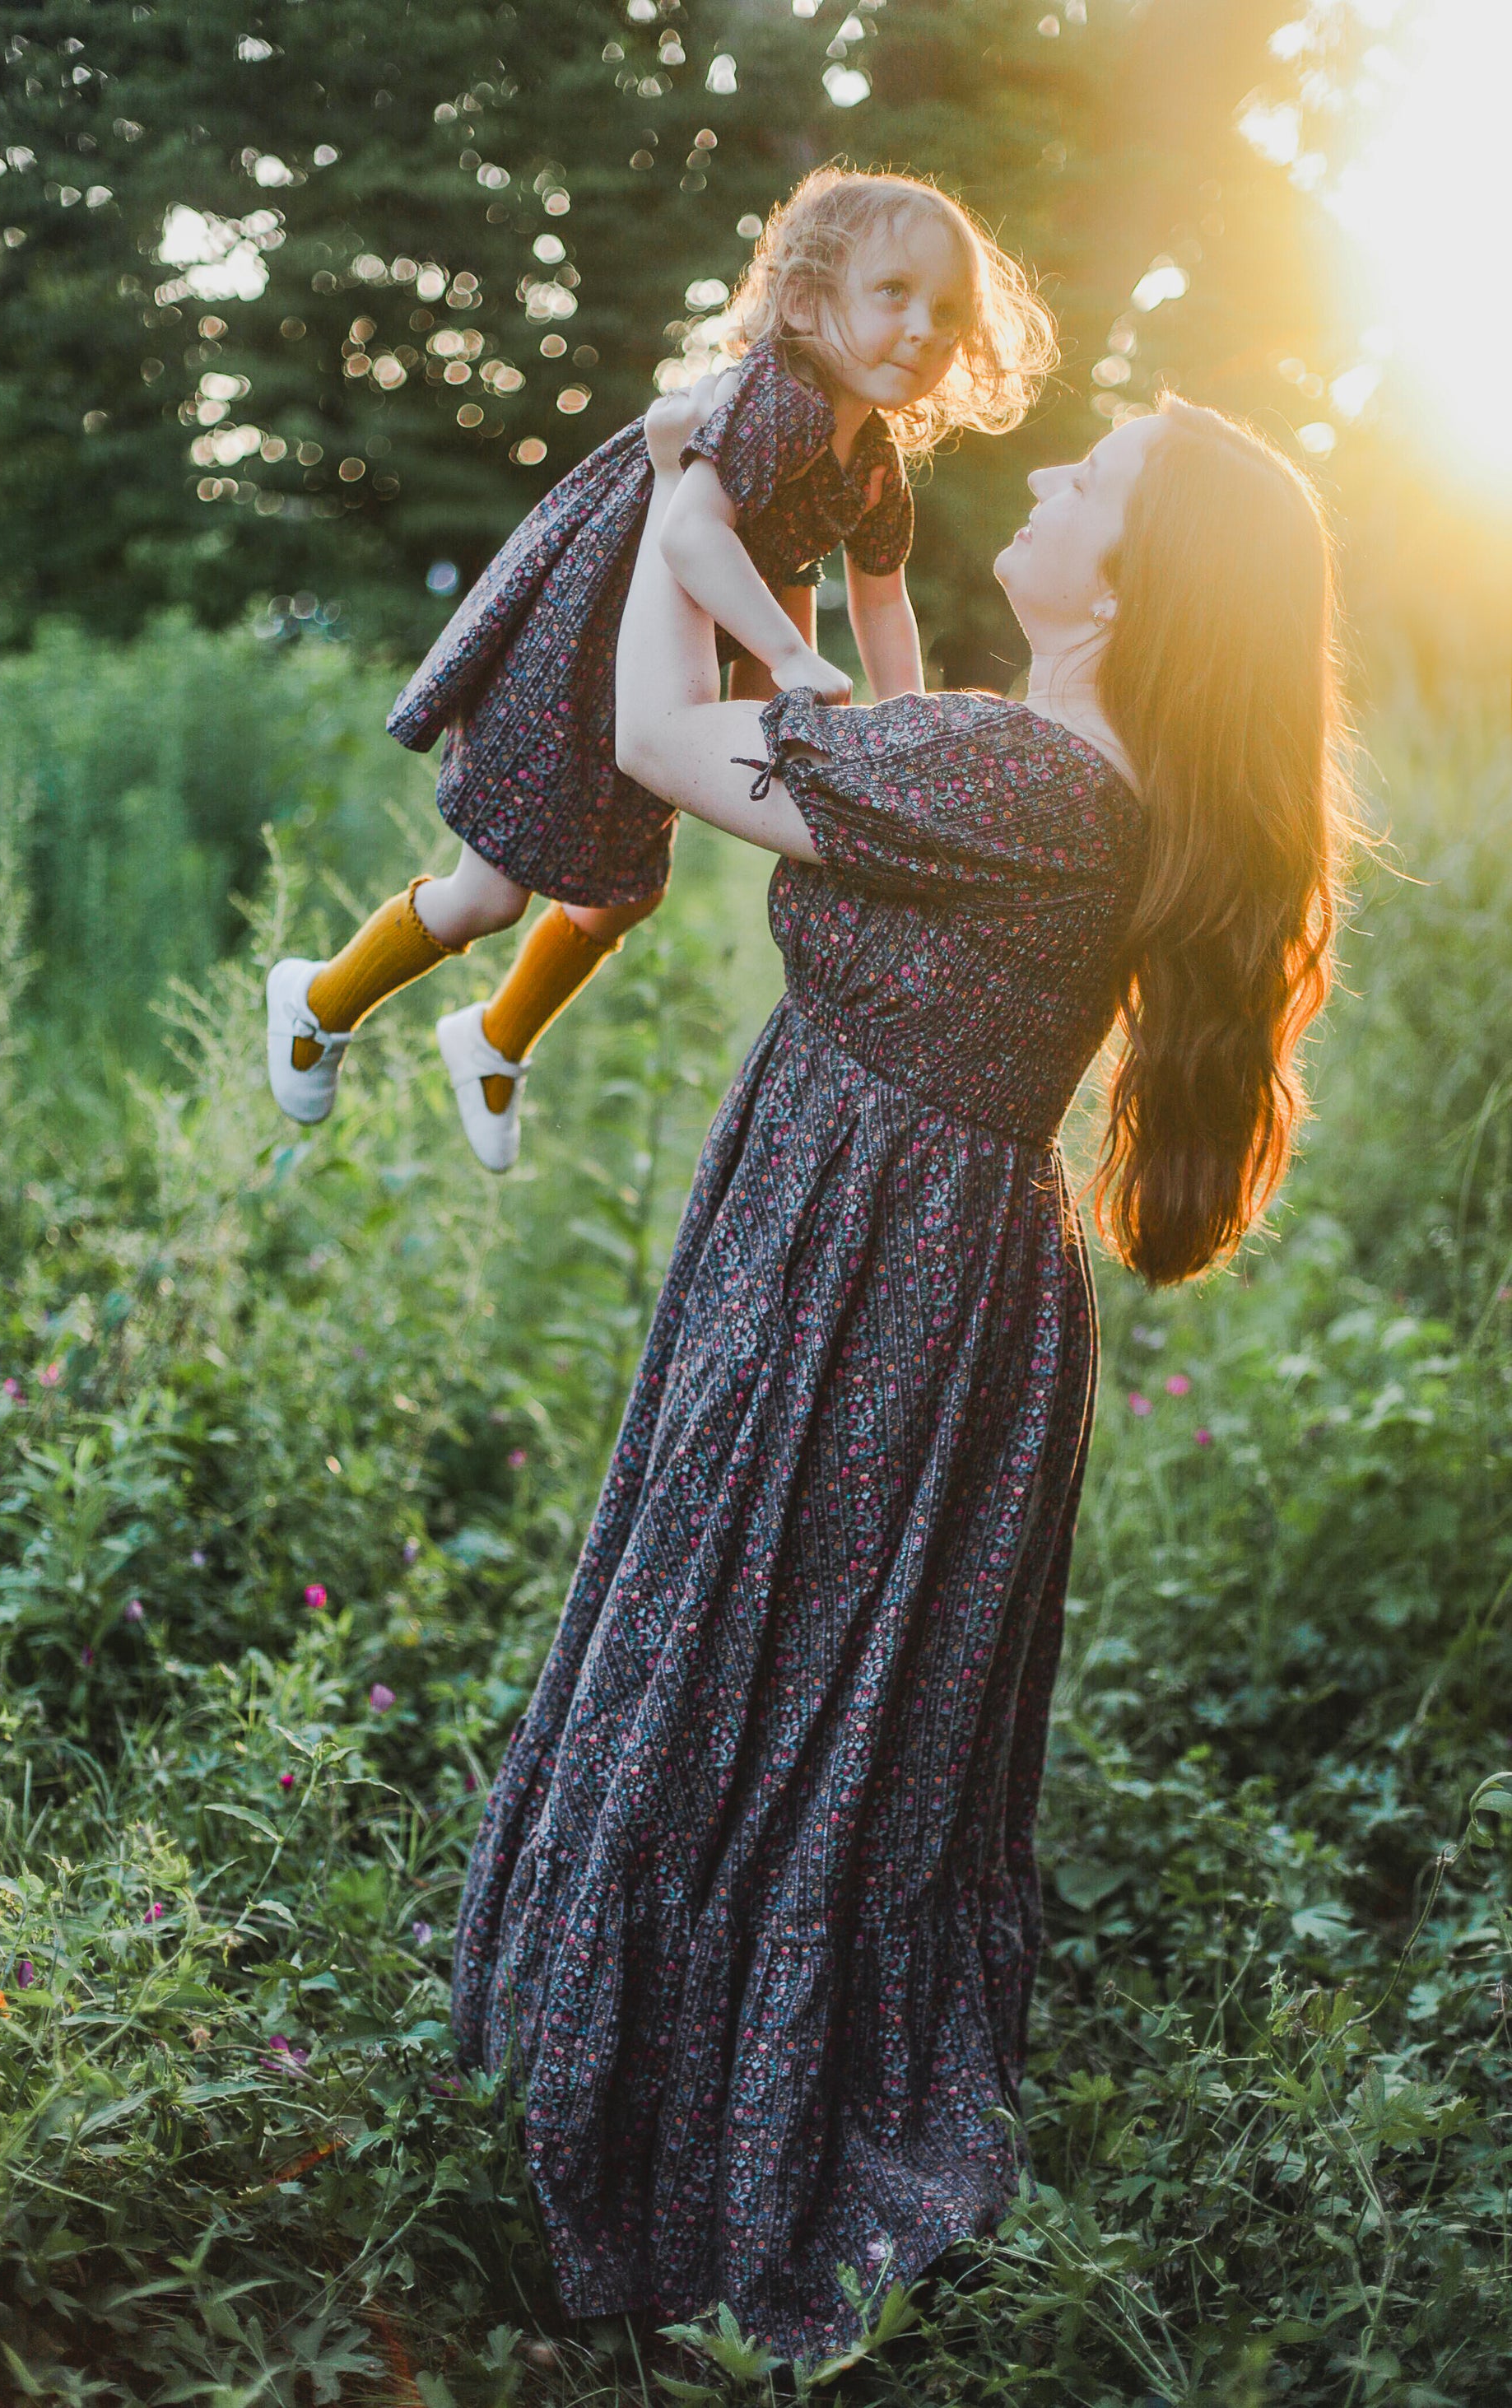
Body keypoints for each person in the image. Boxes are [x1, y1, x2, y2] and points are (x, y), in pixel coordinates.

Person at [446, 383, 1351, 2365]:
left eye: (1090, 478)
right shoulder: (1051, 765)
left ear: (1134, 581)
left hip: (872, 1267)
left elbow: (653, 739)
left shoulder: (1026, 777)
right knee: (824, 1703)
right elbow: (867, 711)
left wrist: (677, 479)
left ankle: (682, 2123)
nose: (1045, 475)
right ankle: (722, 2070)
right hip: (912, 1255)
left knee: (759, 1666)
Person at [263, 168, 1054, 1169]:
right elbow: (688, 537)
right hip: (581, 643)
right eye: (891, 292)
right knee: (488, 896)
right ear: (807, 302)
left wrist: (906, 727)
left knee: (625, 891)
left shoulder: (871, 460)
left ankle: (494, 1038)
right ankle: (318, 1000)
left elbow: (882, 596)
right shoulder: (782, 403)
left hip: (669, 651)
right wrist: (787, 655)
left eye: (946, 311)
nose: (923, 328)